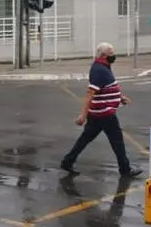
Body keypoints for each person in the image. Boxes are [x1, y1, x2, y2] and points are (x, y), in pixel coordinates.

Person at [60, 42, 142, 178]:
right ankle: (125, 169)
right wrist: (83, 115)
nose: (113, 56)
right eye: (111, 54)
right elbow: (90, 93)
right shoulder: (99, 69)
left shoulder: (103, 67)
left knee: (85, 139)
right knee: (117, 141)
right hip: (105, 113)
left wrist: (119, 97)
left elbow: (105, 88)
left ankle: (67, 161)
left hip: (98, 113)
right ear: (103, 55)